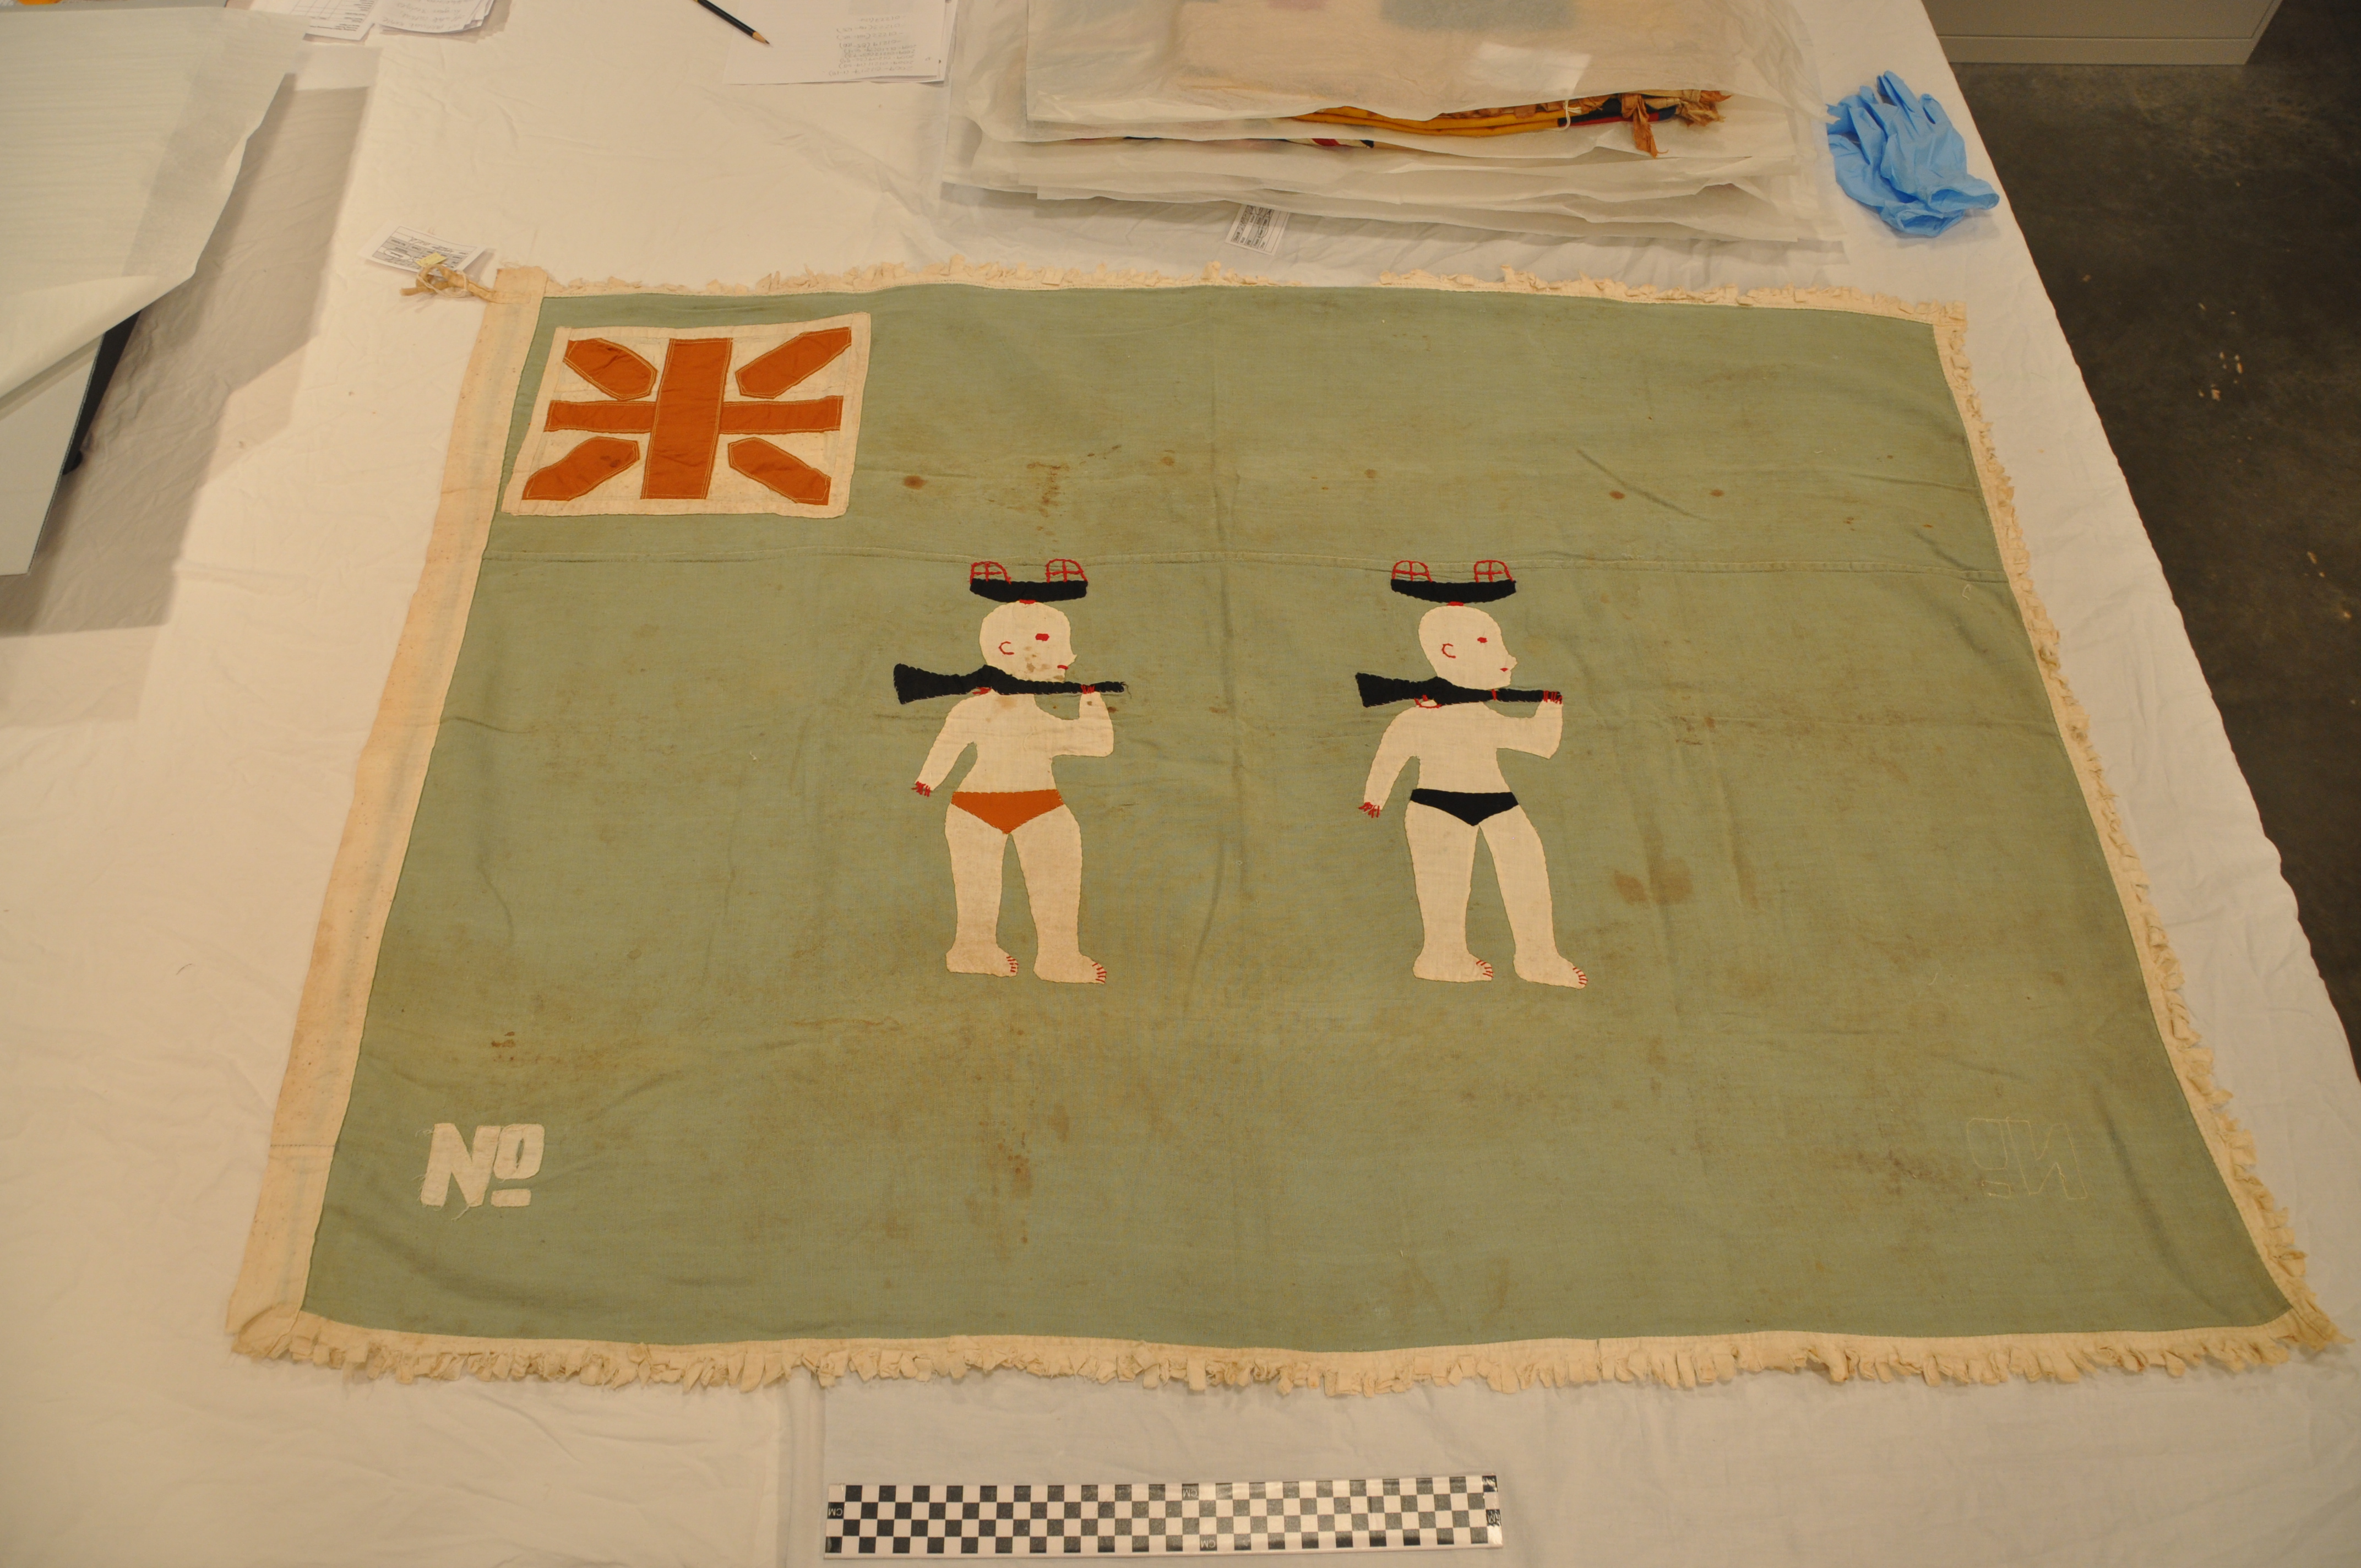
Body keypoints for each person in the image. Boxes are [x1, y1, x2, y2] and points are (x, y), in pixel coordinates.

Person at [1359, 591, 1587, 988]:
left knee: (1528, 871)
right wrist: (1375, 796)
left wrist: (1550, 709)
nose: (1509, 659)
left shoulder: (1482, 715)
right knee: (1443, 884)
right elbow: (1390, 754)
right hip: (1436, 806)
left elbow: (1540, 744)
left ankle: (1538, 956)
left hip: (1497, 802)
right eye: (1485, 642)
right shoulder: (1417, 717)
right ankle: (1441, 956)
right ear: (1448, 651)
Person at [910, 579, 1112, 983]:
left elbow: (1097, 745)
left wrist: (1091, 701)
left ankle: (1057, 954)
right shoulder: (977, 709)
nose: (1067, 656)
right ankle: (975, 949)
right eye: (1047, 641)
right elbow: (949, 741)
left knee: (1055, 870)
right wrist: (928, 779)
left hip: (1025, 806)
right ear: (1006, 649)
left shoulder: (1028, 718)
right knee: (980, 886)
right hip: (977, 808)